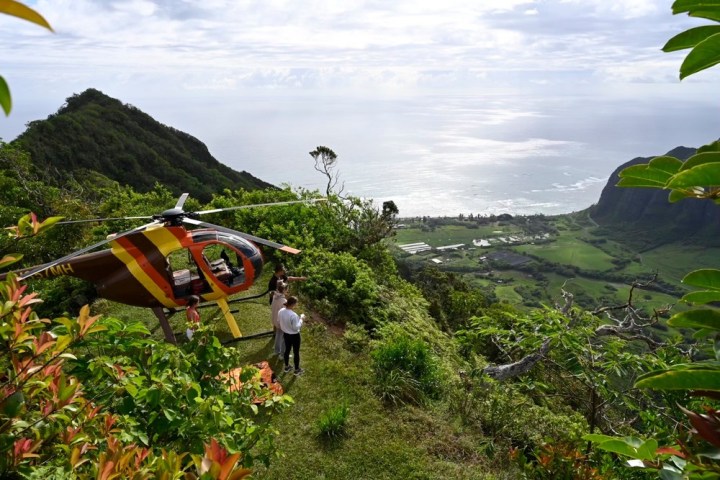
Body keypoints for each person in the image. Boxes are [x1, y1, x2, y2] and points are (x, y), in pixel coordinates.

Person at [278, 296, 305, 375]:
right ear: (293, 304)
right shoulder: (293, 315)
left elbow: (279, 321)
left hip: (286, 334)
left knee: (287, 350)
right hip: (294, 336)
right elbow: (296, 328)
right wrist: (301, 319)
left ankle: (287, 367)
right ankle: (297, 370)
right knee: (296, 352)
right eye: (296, 304)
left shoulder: (281, 311)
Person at [270, 281, 288, 356]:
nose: (288, 290)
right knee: (285, 338)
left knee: (278, 335)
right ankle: (282, 355)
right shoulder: (283, 301)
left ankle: (276, 351)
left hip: (275, 319)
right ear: (284, 290)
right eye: (287, 289)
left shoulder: (275, 295)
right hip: (281, 322)